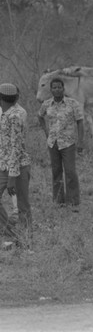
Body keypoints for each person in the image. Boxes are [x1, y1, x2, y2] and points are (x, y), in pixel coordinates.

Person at [38, 78, 84, 211]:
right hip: (53, 143)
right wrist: (46, 131)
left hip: (68, 143)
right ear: (51, 89)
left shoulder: (72, 103)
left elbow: (80, 122)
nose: (57, 90)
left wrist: (80, 141)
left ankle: (73, 201)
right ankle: (58, 200)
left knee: (70, 171)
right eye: (54, 87)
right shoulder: (47, 104)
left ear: (63, 89)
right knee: (56, 171)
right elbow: (40, 116)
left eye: (59, 87)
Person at [0, 83, 32, 245]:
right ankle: (9, 233)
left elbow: (16, 147)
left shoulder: (16, 116)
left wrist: (12, 176)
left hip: (18, 167)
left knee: (22, 204)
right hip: (3, 165)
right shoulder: (3, 113)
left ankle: (26, 239)